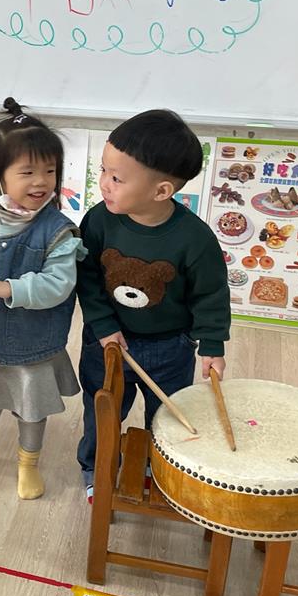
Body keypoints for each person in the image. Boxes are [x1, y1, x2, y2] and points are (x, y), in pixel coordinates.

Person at [76, 109, 229, 502]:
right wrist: (102, 325)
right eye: (104, 171)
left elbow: (211, 294)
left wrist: (212, 345)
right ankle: (96, 467)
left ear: (161, 191)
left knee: (166, 416)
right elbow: (87, 278)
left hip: (170, 346)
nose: (104, 183)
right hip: (107, 342)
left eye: (116, 178)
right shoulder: (98, 220)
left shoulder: (195, 239)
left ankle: (156, 466)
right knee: (102, 411)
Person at [0, 99, 85, 499]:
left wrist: (11, 288)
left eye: (50, 170)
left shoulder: (58, 230)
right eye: (27, 172)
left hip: (32, 346)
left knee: (31, 410)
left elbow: (59, 284)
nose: (41, 181)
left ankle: (28, 464)